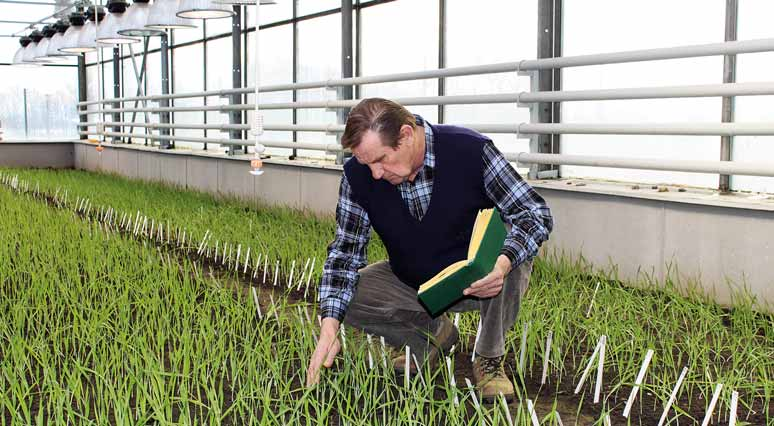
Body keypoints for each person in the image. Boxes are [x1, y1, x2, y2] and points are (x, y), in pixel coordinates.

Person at [305, 98, 553, 401]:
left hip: (479, 278)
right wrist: (330, 325)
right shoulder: (358, 176)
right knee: (347, 297)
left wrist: (502, 264)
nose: (375, 174)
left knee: (517, 252)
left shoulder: (470, 151)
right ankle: (430, 336)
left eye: (380, 159)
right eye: (365, 163)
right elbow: (345, 253)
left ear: (407, 135)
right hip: (415, 282)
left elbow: (533, 213)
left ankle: (489, 359)